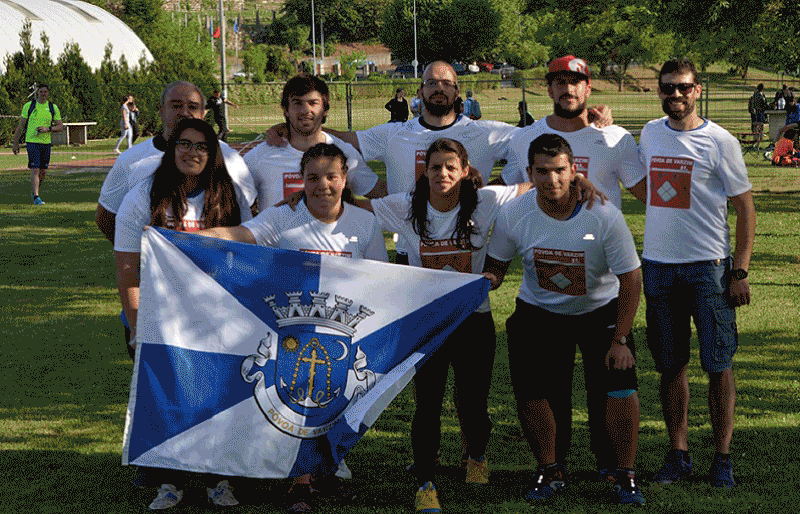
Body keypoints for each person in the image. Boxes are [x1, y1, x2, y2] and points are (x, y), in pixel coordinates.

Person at [195, 143, 387, 513]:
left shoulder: (365, 223)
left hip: (344, 332)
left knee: (335, 404)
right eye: (313, 177)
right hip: (292, 334)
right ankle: (299, 483)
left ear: (345, 179)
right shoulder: (283, 218)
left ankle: (323, 471)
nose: (323, 186)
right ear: (302, 180)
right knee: (298, 406)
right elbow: (242, 236)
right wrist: (193, 239)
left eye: (331, 176)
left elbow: (381, 276)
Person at [353, 138, 532, 512]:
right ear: (425, 172)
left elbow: (534, 184)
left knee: (472, 401)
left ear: (465, 171)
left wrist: (580, 181)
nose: (443, 174)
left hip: (474, 321)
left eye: (451, 166)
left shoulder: (487, 201)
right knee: (428, 403)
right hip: (429, 322)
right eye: (435, 167)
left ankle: (476, 457)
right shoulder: (405, 206)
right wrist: (307, 198)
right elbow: (354, 205)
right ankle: (425, 481)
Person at [483, 134, 645, 506]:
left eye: (559, 170)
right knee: (532, 391)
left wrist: (620, 339)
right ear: (530, 172)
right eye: (542, 171)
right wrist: (485, 280)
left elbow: (631, 277)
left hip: (600, 311)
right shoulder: (514, 213)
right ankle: (549, 469)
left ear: (574, 170)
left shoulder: (603, 214)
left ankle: (625, 474)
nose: (551, 179)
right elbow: (496, 265)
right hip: (540, 313)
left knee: (621, 388)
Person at [114, 118, 254, 510]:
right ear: (171, 149)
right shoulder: (143, 194)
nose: (192, 153)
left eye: (202, 147)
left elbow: (247, 255)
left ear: (213, 154)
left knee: (219, 397)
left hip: (217, 315)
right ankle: (169, 482)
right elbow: (128, 268)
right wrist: (138, 325)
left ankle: (220, 479)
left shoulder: (229, 196)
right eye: (184, 144)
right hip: (161, 316)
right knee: (168, 397)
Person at [638, 58, 755, 489]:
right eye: (668, 88)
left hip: (709, 268)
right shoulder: (649, 133)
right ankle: (679, 452)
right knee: (671, 365)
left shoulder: (719, 141)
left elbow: (745, 207)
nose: (676, 95)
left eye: (683, 88)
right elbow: (636, 179)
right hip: (658, 268)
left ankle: (722, 456)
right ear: (660, 91)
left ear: (697, 89)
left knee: (718, 363)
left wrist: (739, 268)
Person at [96, 81, 257, 357]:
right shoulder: (135, 168)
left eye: (192, 106)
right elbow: (108, 221)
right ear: (160, 110)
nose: (184, 112)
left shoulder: (230, 162)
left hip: (216, 311)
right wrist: (148, 252)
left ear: (205, 112)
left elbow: (251, 234)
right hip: (156, 308)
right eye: (176, 105)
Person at [499, 55, 647, 210]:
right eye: (561, 83)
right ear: (550, 90)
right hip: (543, 233)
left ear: (588, 89)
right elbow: (504, 190)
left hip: (599, 233)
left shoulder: (615, 138)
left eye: (575, 82)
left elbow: (648, 196)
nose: (569, 89)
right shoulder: (525, 137)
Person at [244, 74, 385, 212]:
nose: (306, 110)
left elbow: (382, 195)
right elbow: (235, 203)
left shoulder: (345, 154)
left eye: (313, 103)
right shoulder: (259, 157)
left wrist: (344, 206)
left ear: (325, 109)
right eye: (297, 103)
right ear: (286, 110)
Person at [12, 83, 63, 205]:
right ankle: (36, 197)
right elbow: (21, 126)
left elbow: (60, 126)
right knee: (35, 169)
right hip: (32, 142)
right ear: (37, 93)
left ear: (48, 93)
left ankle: (35, 191)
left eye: (45, 92)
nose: (43, 94)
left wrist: (48, 129)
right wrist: (15, 143)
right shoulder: (29, 106)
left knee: (43, 170)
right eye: (41, 92)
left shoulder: (52, 107)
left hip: (46, 143)